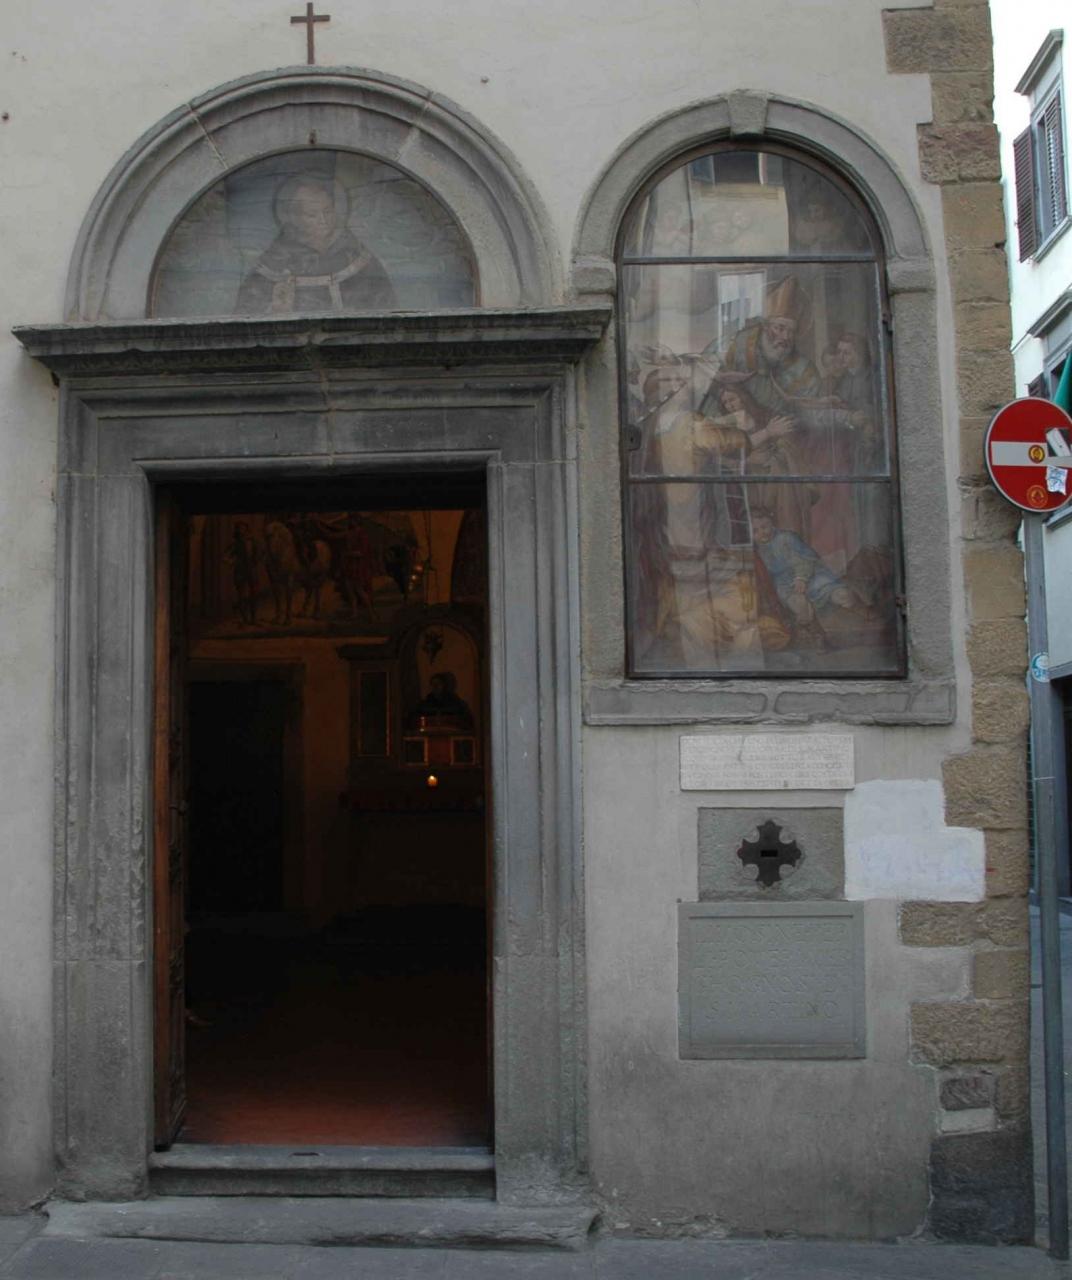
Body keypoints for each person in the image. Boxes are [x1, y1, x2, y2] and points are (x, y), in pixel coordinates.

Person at [236, 175, 397, 315]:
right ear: (295, 218)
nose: (323, 220)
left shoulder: (357, 256)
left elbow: (386, 306)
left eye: (327, 211)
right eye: (312, 215)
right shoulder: (274, 260)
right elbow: (245, 315)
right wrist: (275, 310)